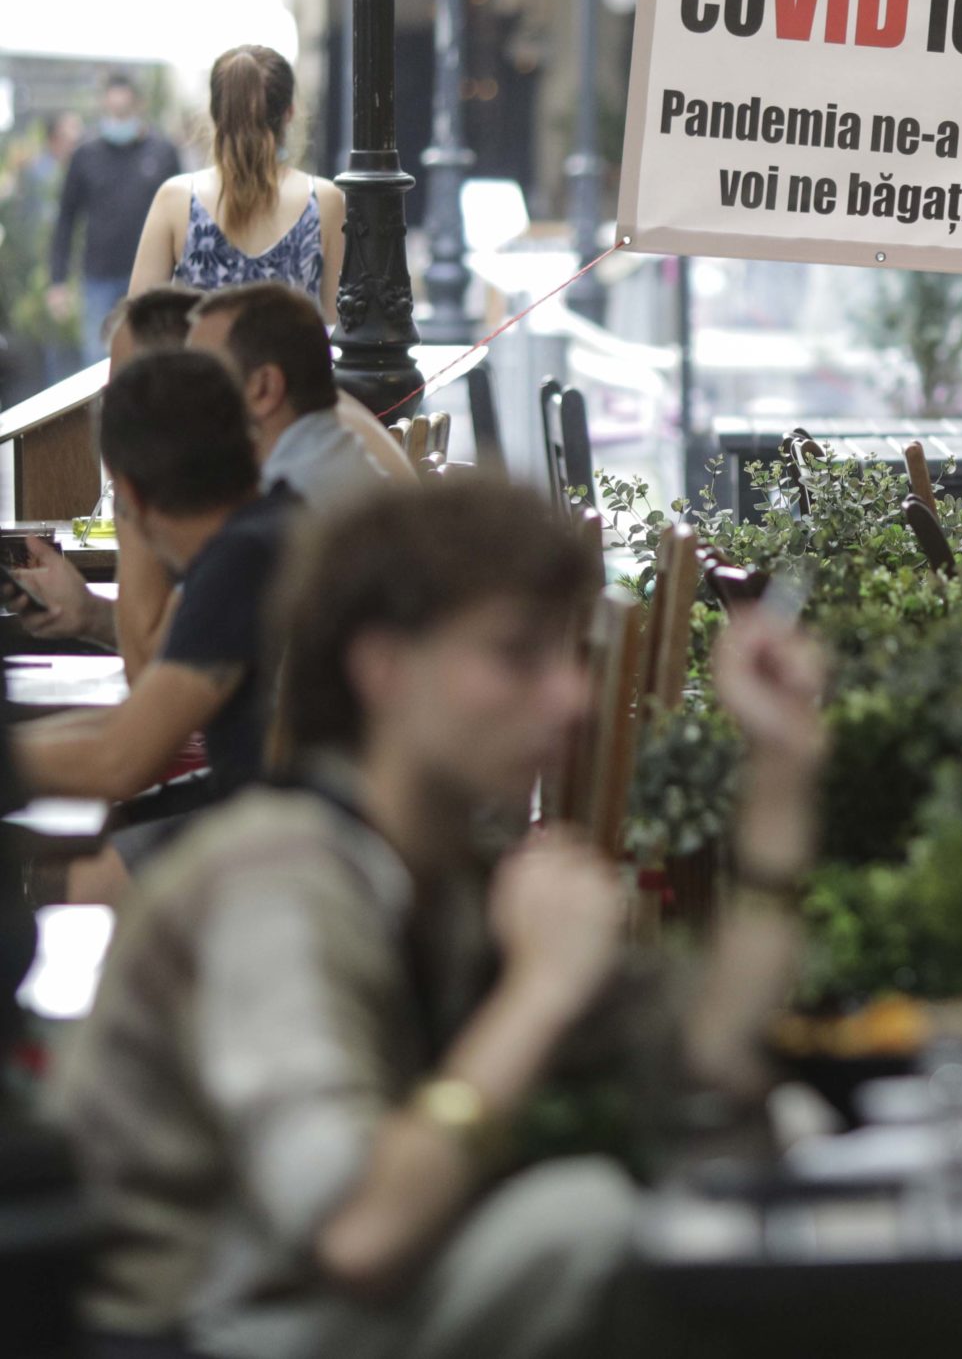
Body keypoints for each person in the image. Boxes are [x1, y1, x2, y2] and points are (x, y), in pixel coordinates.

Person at [56, 478, 827, 1359]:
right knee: (585, 1221)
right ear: (383, 668)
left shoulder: (452, 873)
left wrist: (780, 784)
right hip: (197, 1334)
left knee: (783, 1132)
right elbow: (358, 1230)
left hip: (312, 1316)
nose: (573, 697)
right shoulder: (278, 880)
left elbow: (711, 1059)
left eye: (567, 654)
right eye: (516, 655)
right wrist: (538, 992)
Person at [12, 353, 294, 836]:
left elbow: (121, 758)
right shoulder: (274, 519)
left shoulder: (239, 562)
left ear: (130, 494)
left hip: (284, 834)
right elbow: (142, 718)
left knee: (73, 862)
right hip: (273, 805)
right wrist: (89, 614)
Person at [13, 290, 205, 675]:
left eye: (124, 384)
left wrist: (130, 490)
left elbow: (163, 682)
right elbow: (176, 649)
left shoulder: (243, 528)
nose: (107, 399)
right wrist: (89, 614)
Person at [126, 45, 343, 312]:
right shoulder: (325, 200)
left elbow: (137, 323)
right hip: (295, 342)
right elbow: (337, 323)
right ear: (290, 113)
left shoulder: (176, 198)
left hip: (199, 343)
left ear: (214, 113)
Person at [189, 283, 402, 511]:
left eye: (201, 378)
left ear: (264, 388)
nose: (184, 396)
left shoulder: (280, 509)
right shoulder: (338, 455)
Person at [50, 76, 183, 363]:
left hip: (154, 278)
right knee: (97, 361)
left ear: (138, 106)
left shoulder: (162, 152)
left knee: (153, 359)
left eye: (124, 111)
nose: (118, 118)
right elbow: (66, 218)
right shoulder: (85, 155)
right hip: (99, 277)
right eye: (113, 110)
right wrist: (58, 280)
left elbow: (182, 216)